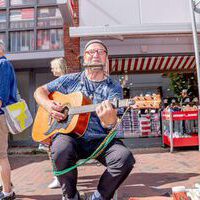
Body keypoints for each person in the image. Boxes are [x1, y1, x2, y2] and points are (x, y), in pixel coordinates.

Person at [34, 39, 135, 200]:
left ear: (106, 59)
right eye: (91, 51)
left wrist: (108, 121)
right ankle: (71, 197)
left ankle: (98, 198)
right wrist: (47, 105)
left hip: (100, 141)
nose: (96, 54)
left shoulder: (113, 87)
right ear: (84, 58)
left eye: (100, 52)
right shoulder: (69, 80)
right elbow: (39, 91)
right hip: (71, 138)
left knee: (124, 158)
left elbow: (111, 124)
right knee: (60, 148)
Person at [47, 57, 68, 189]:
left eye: (53, 67)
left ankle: (58, 176)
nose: (51, 69)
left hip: (61, 121)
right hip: (60, 119)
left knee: (53, 149)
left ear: (59, 67)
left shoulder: (60, 83)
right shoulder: (62, 82)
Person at [0, 41, 17, 200]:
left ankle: (7, 193)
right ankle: (6, 186)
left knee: (1, 156)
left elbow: (1, 96)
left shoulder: (3, 64)